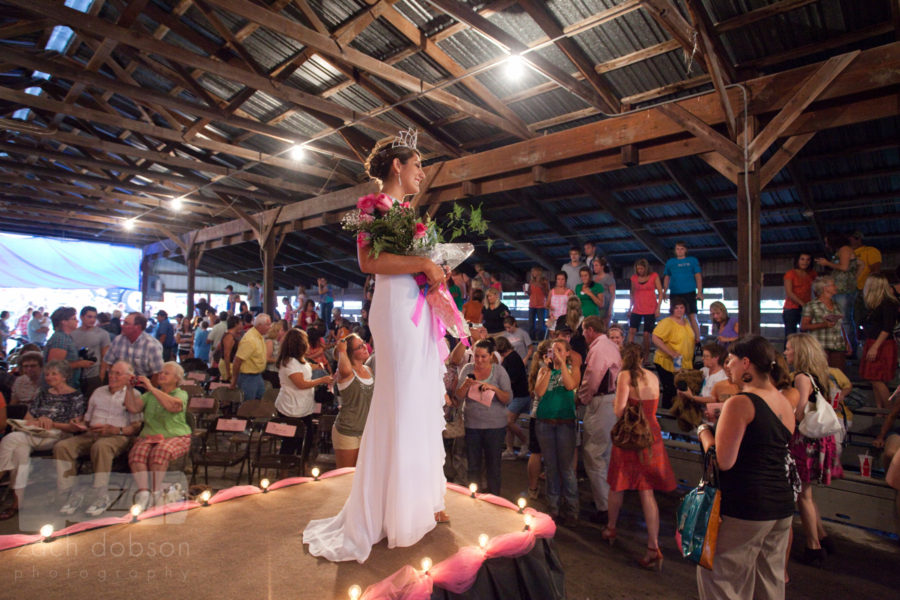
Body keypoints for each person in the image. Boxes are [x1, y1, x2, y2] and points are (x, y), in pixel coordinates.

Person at [303, 132, 450, 563]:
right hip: (393, 307)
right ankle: (393, 509)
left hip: (417, 305)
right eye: (417, 163)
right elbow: (368, 263)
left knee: (421, 397)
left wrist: (434, 267)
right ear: (397, 167)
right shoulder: (372, 209)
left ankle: (422, 499)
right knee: (401, 399)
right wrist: (423, 263)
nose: (422, 172)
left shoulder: (409, 214)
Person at [604, 343, 677, 568]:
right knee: (647, 491)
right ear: (644, 357)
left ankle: (611, 528)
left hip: (630, 436)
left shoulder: (624, 376)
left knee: (618, 483)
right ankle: (653, 546)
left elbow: (618, 410)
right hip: (651, 435)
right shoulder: (653, 377)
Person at [54, 360, 142, 517]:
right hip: (91, 433)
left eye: (117, 373)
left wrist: (116, 429)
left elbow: (135, 427)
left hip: (116, 436)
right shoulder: (99, 392)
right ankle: (70, 493)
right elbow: (87, 420)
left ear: (129, 377)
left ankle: (100, 495)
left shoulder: (134, 395)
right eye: (111, 372)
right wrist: (78, 423)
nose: (112, 376)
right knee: (62, 446)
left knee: (101, 446)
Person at [0, 360, 86, 520]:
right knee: (18, 450)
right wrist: (40, 420)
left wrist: (52, 423)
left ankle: (2, 474)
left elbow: (74, 427)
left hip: (58, 434)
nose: (49, 377)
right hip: (35, 433)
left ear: (65, 376)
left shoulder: (76, 396)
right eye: (47, 374)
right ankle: (17, 502)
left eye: (54, 373)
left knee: (12, 439)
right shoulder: (42, 392)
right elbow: (29, 417)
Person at [784, 333, 843, 567]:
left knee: (803, 495)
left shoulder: (800, 377)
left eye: (789, 349)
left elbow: (798, 413)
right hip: (817, 440)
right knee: (807, 493)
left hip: (804, 440)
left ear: (799, 352)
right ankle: (822, 537)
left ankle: (813, 546)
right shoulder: (818, 375)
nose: (786, 352)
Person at [126, 361, 191, 510]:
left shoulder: (181, 393)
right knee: (137, 453)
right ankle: (144, 494)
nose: (161, 375)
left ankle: (155, 492)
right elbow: (133, 408)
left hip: (175, 435)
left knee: (160, 452)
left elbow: (173, 406)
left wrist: (150, 387)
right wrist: (129, 389)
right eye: (160, 372)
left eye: (166, 373)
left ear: (176, 379)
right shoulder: (149, 395)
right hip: (150, 436)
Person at [578, 315, 621, 524]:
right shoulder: (610, 345)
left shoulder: (598, 348)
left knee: (594, 454)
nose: (583, 335)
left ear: (590, 330)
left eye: (584, 330)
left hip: (601, 401)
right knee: (604, 453)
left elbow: (592, 376)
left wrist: (582, 397)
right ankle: (606, 501)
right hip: (610, 400)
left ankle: (604, 506)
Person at [456, 339, 513, 496]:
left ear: (491, 356)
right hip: (472, 425)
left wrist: (494, 388)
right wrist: (466, 385)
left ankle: (494, 498)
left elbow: (508, 398)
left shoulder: (499, 372)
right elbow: (458, 396)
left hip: (495, 426)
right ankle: (474, 496)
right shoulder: (467, 369)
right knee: (473, 465)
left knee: (493, 465)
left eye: (483, 357)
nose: (479, 360)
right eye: (477, 356)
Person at [274, 328, 334, 474]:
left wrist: (316, 367)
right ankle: (285, 471)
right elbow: (300, 383)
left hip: (304, 407)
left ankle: (303, 465)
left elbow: (304, 367)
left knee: (307, 438)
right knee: (290, 440)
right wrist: (321, 379)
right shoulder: (289, 362)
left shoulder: (299, 360)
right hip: (291, 408)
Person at [533, 338, 580, 524]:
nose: (556, 353)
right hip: (545, 422)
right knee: (550, 466)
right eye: (553, 350)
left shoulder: (573, 369)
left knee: (566, 468)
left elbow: (570, 385)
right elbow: (539, 392)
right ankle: (553, 506)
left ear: (567, 352)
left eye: (559, 350)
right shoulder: (544, 369)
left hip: (565, 423)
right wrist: (550, 369)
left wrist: (561, 366)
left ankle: (572, 508)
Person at [332, 334, 374, 469]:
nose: (364, 348)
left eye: (364, 343)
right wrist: (342, 350)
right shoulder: (346, 372)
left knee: (362, 474)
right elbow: (344, 368)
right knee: (346, 475)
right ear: (350, 353)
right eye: (359, 347)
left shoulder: (368, 370)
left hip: (366, 430)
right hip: (347, 430)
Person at [858, 274, 898, 410]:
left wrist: (875, 347)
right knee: (873, 377)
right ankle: (880, 409)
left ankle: (889, 411)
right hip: (873, 341)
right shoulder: (874, 304)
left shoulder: (888, 303)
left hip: (882, 344)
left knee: (876, 378)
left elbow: (887, 328)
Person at [815, 232, 859, 355]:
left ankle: (851, 350)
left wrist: (827, 263)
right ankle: (844, 348)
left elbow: (844, 267)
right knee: (840, 319)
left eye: (827, 241)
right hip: (840, 289)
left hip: (844, 289)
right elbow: (859, 265)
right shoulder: (842, 250)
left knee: (845, 320)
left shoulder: (845, 249)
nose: (826, 244)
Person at [651, 299, 695, 409]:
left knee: (681, 390)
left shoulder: (686, 321)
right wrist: (670, 352)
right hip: (667, 362)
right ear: (672, 309)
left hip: (684, 362)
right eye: (677, 308)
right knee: (670, 389)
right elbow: (655, 338)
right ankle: (667, 413)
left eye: (682, 307)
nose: (679, 310)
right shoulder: (667, 322)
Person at [101, 312, 164, 384]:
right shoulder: (118, 340)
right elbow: (109, 362)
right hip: (120, 382)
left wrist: (149, 392)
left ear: (137, 327)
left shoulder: (152, 345)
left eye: (126, 323)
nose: (122, 326)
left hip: (143, 385)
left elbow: (157, 373)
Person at [800, 276, 848, 368]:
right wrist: (824, 325)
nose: (836, 287)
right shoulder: (811, 306)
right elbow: (804, 326)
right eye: (833, 285)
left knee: (838, 375)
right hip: (820, 345)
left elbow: (840, 325)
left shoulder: (837, 305)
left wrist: (846, 341)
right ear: (825, 288)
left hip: (837, 345)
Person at [496, 336, 530, 461]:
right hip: (515, 395)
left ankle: (525, 442)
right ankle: (510, 449)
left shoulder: (512, 359)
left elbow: (512, 379)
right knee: (508, 424)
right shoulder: (512, 357)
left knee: (508, 421)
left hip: (519, 395)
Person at [44, 306, 95, 388]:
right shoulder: (60, 338)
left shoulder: (66, 337)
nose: (77, 321)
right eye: (74, 319)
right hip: (60, 388)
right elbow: (54, 366)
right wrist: (79, 364)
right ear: (64, 322)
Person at [71, 306, 111, 400]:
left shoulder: (102, 334)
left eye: (94, 317)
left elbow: (105, 355)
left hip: (94, 374)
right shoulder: (73, 334)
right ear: (82, 317)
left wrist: (101, 375)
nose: (92, 320)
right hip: (76, 374)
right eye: (89, 317)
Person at [229, 313, 272, 402]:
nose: (270, 327)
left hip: (257, 375)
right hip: (247, 377)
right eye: (267, 325)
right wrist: (234, 380)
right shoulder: (250, 339)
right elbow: (237, 361)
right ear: (259, 326)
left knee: (260, 401)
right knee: (248, 406)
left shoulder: (259, 336)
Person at [628, 259, 663, 360]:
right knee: (631, 330)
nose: (640, 271)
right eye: (638, 269)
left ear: (646, 268)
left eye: (642, 268)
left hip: (650, 308)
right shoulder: (634, 278)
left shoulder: (654, 276)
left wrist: (658, 308)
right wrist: (630, 308)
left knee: (646, 334)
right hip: (637, 307)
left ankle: (646, 356)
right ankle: (630, 354)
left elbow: (660, 292)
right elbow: (632, 293)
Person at [783, 252, 817, 338]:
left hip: (806, 307)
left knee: (806, 334)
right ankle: (788, 351)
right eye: (802, 259)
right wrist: (803, 304)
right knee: (791, 335)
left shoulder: (812, 274)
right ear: (797, 260)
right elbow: (789, 293)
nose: (805, 262)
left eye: (808, 259)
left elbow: (817, 289)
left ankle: (804, 351)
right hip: (791, 308)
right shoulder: (790, 273)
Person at [527, 266, 550, 340]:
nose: (533, 273)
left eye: (534, 271)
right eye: (532, 271)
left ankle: (541, 340)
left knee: (541, 325)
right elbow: (530, 293)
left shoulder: (544, 281)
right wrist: (527, 291)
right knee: (531, 324)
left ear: (539, 272)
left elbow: (548, 293)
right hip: (532, 305)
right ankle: (532, 339)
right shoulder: (531, 282)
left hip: (541, 306)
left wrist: (542, 287)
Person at [593, 257, 616, 327]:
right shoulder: (592, 278)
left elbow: (613, 295)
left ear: (602, 267)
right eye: (594, 266)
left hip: (606, 306)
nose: (594, 267)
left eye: (596, 265)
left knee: (604, 328)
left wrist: (610, 309)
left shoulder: (608, 278)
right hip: (595, 307)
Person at [217, 316, 242, 383]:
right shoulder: (229, 336)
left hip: (229, 363)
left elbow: (219, 346)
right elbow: (227, 354)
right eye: (240, 323)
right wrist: (228, 372)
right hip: (227, 364)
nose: (241, 325)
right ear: (236, 324)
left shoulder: (232, 335)